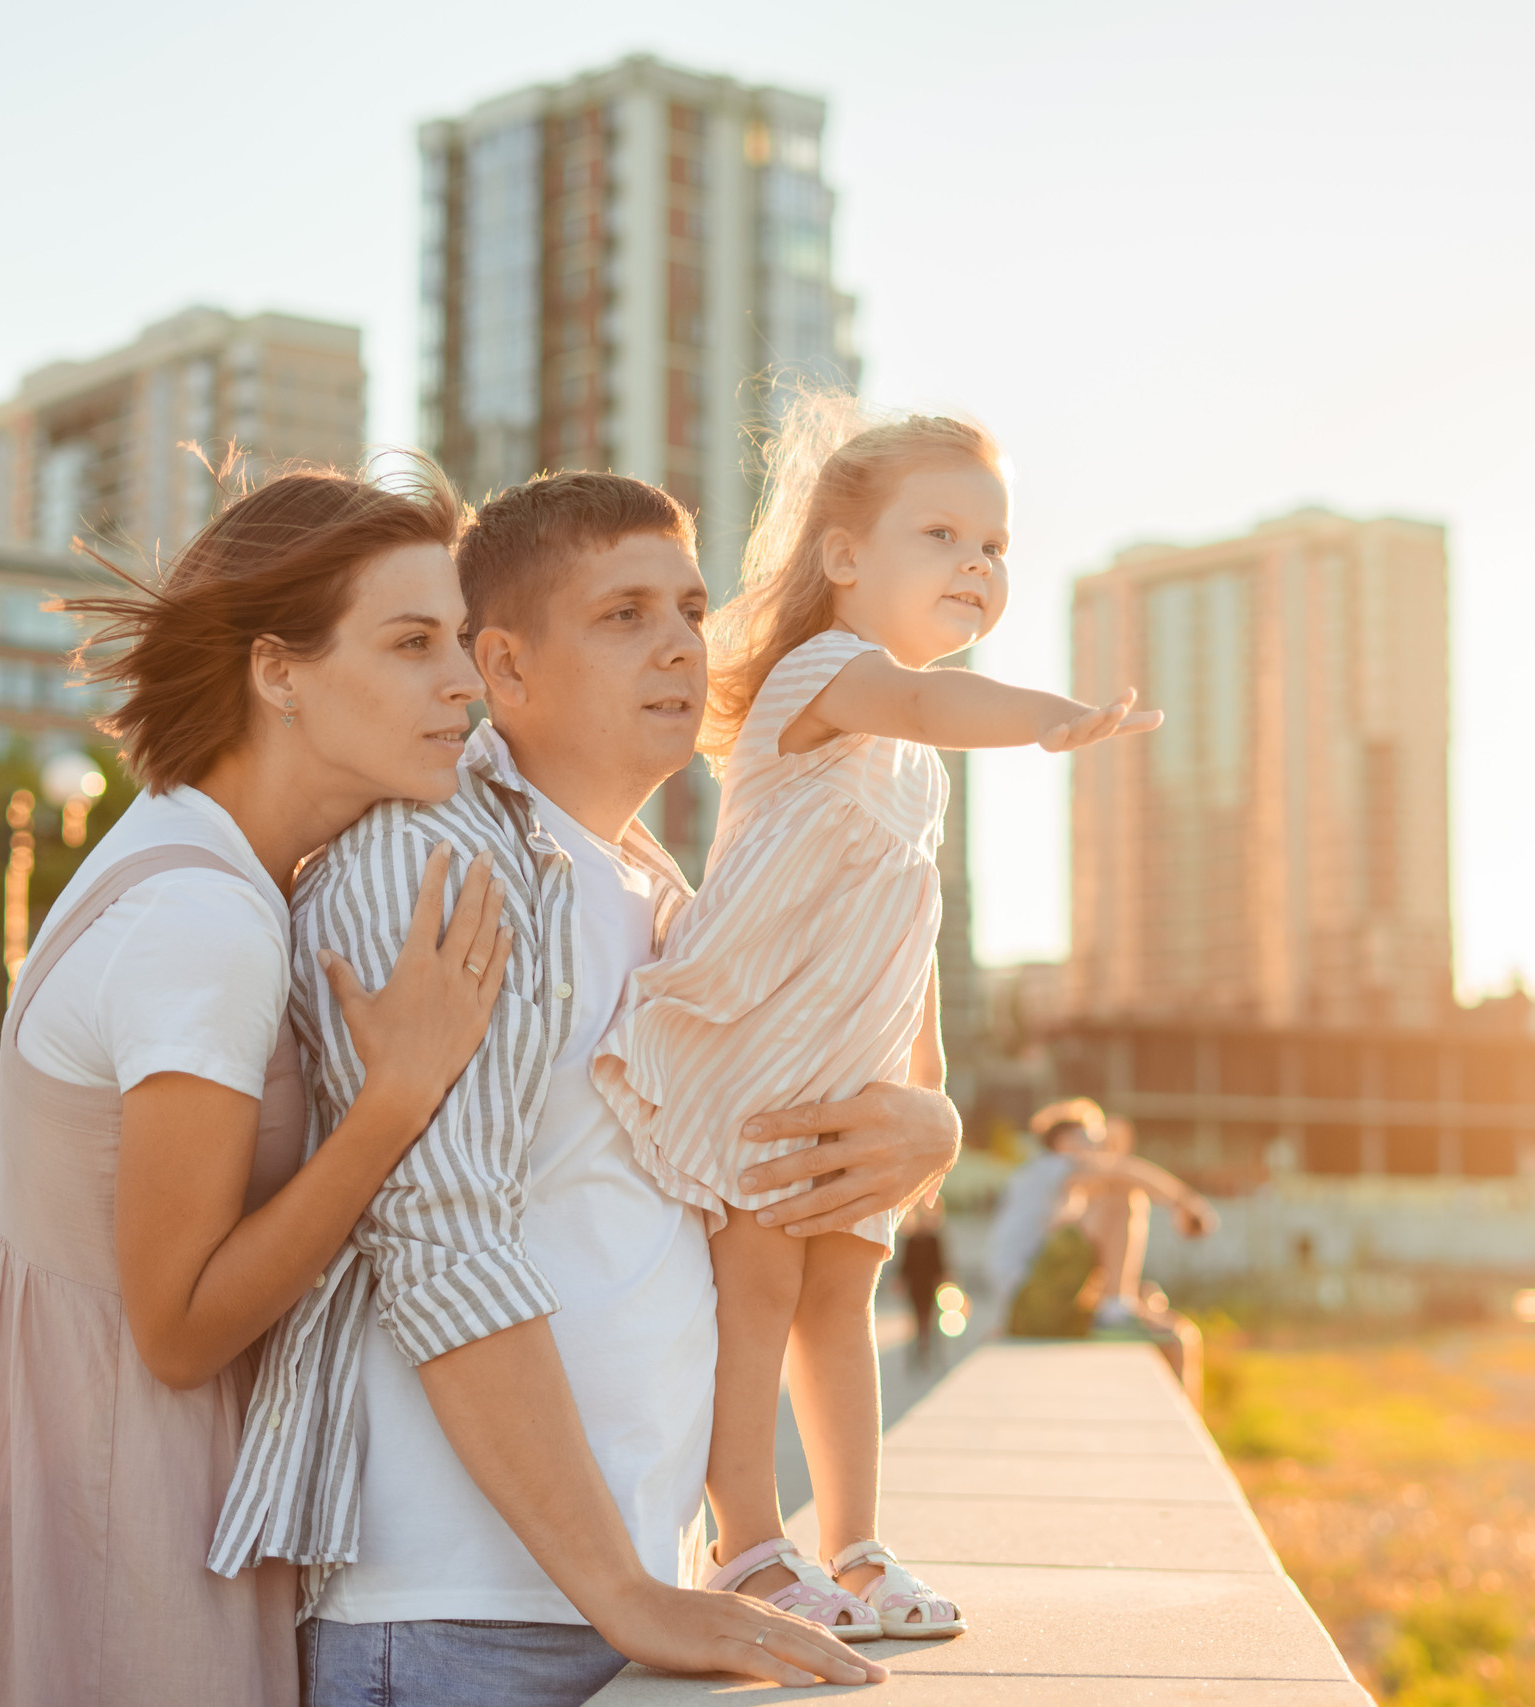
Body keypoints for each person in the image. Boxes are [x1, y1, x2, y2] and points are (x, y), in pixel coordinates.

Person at [211, 471, 961, 1707]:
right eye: (624, 616)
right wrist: (620, 1589)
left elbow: (765, 1153)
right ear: (501, 667)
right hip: (462, 1617)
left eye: (690, 609)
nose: (680, 644)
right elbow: (440, 1244)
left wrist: (926, 1128)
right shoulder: (434, 862)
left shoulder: (661, 892)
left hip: (629, 1595)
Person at [0, 466, 514, 1706]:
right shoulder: (204, 922)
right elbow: (175, 1329)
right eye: (411, 643)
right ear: (278, 673)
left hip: (57, 1440)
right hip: (122, 1474)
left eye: (459, 641)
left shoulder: (195, 853)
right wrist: (397, 1100)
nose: (466, 682)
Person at [588, 397, 1161, 1643]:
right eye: (942, 535)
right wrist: (1048, 718)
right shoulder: (829, 679)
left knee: (845, 1298)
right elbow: (929, 704)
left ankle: (853, 1543)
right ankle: (744, 1543)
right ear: (845, 556)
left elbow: (911, 934)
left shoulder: (918, 767)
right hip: (752, 1051)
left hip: (851, 1077)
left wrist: (931, 1071)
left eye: (995, 548)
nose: (976, 566)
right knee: (759, 1288)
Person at [988, 1099, 1219, 1390]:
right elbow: (1122, 1171)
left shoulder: (1052, 1188)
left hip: (1035, 1308)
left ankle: (1119, 1305)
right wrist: (1185, 1202)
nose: (1099, 1149)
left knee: (1177, 1338)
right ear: (1065, 1141)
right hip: (1032, 1303)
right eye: (1092, 1140)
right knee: (1121, 1195)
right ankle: (1116, 1309)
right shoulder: (1051, 1166)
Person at [896, 1198, 950, 1368]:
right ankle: (919, 1352)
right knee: (916, 1320)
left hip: (931, 1286)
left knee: (930, 1320)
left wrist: (945, 1281)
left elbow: (941, 1264)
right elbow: (904, 1265)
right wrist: (901, 1281)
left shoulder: (934, 1239)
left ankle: (929, 1351)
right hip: (915, 1286)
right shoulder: (910, 1240)